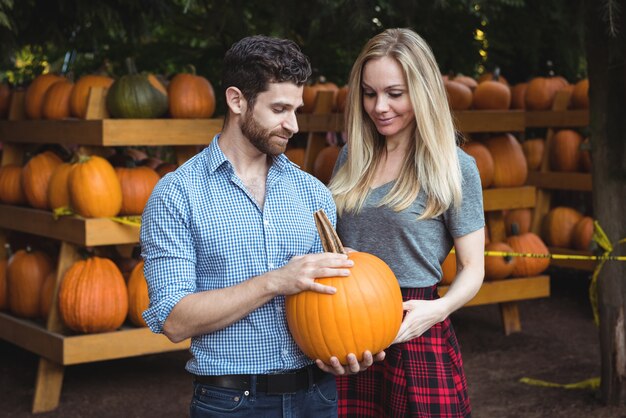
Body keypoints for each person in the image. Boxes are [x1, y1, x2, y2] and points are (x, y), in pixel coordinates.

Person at [140, 35, 378, 418]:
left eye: (296, 109)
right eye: (280, 109)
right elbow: (174, 320)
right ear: (237, 100)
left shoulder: (313, 193)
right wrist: (275, 281)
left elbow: (332, 303)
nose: (293, 125)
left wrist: (346, 349)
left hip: (318, 396)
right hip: (233, 402)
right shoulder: (177, 195)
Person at [325, 28, 485, 417]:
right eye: (369, 93)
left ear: (422, 92)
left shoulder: (454, 168)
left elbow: (473, 268)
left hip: (413, 328)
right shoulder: (352, 157)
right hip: (347, 329)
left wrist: (440, 309)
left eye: (395, 94)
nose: (379, 106)